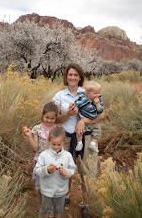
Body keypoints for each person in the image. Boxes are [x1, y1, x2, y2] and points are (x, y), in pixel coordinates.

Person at [52, 63, 104, 218]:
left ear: (80, 77)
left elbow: (101, 115)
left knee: (85, 172)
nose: (73, 77)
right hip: (67, 138)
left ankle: (86, 204)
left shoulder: (89, 91)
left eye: (76, 75)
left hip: (86, 137)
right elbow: (55, 119)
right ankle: (66, 196)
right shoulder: (59, 96)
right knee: (65, 170)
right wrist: (68, 114)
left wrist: (83, 121)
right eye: (70, 75)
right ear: (66, 77)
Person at [34, 125, 76, 218]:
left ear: (64, 142)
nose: (56, 147)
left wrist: (67, 173)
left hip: (61, 192)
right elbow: (37, 171)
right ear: (49, 141)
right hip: (46, 191)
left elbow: (72, 169)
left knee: (58, 211)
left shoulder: (67, 155)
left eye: (59, 144)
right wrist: (46, 170)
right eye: (53, 144)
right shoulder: (43, 155)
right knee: (45, 211)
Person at [23, 102, 58, 206]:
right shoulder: (37, 129)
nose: (49, 120)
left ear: (56, 118)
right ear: (42, 114)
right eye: (47, 117)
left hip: (53, 162)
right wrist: (29, 136)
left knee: (51, 186)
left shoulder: (57, 130)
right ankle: (42, 206)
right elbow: (35, 148)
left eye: (52, 118)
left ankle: (50, 206)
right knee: (39, 186)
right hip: (39, 161)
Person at [74, 81, 104, 153]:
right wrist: (75, 108)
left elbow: (100, 111)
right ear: (88, 93)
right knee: (79, 131)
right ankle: (79, 143)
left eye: (98, 93)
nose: (97, 95)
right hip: (82, 118)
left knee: (98, 130)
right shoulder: (84, 100)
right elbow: (77, 104)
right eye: (95, 93)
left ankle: (92, 144)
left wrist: (97, 105)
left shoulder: (98, 100)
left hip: (92, 120)